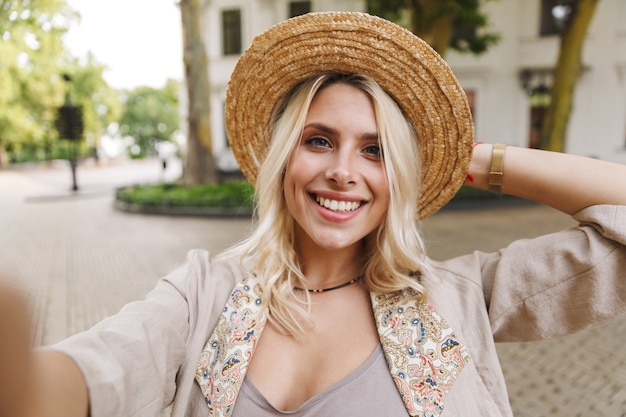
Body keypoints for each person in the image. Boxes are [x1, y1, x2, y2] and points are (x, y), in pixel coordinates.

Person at [1, 11, 625, 417]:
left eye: (376, 151)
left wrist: (470, 156)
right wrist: (23, 380)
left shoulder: (462, 298)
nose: (342, 171)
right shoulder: (205, 294)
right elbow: (97, 371)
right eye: (319, 140)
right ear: (284, 156)